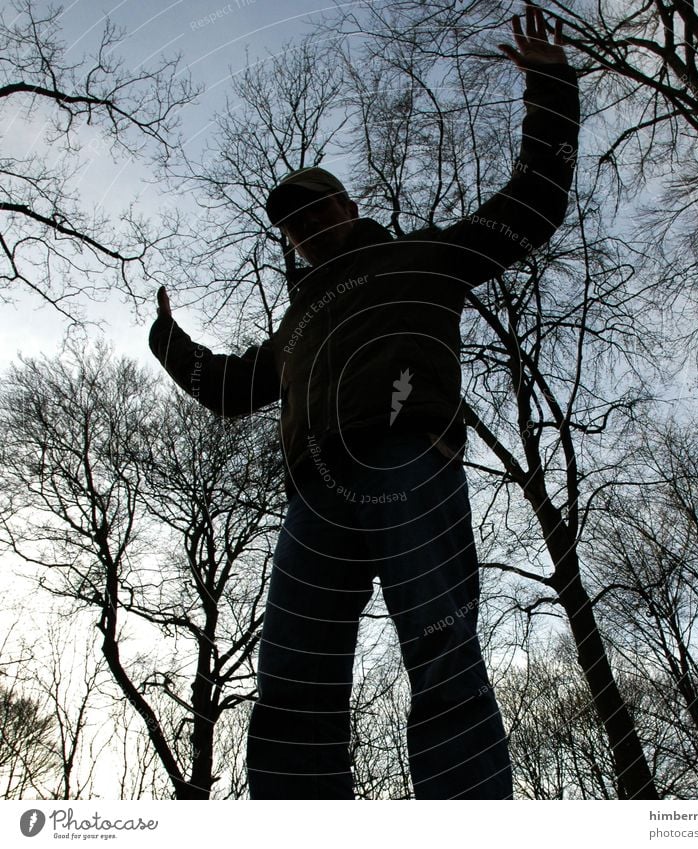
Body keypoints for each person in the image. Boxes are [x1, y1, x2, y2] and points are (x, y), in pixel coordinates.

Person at [149, 2, 579, 799]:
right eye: (294, 227)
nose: (307, 229)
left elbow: (532, 206)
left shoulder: (425, 257)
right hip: (315, 495)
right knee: (292, 681)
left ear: (348, 207)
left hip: (408, 461)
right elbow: (232, 388)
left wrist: (550, 91)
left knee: (440, 647)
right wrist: (167, 339)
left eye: (317, 211)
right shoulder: (295, 328)